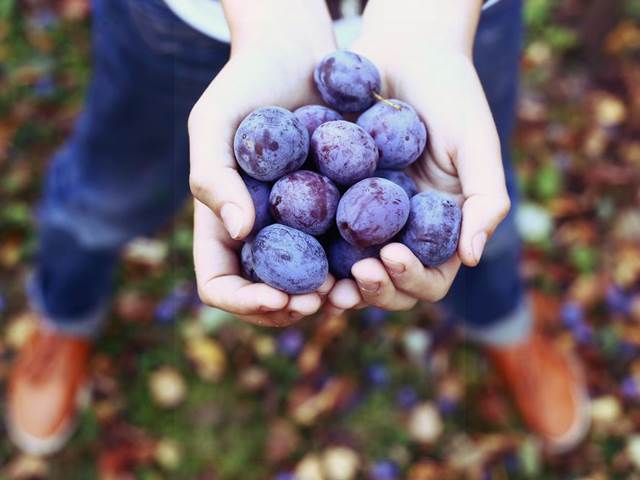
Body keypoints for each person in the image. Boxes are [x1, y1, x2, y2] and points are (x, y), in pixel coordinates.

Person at [7, 0, 590, 457]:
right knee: (109, 191)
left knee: (470, 205)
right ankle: (66, 313)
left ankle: (502, 323)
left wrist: (434, 20)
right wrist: (270, 17)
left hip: (452, 20)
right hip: (193, 17)